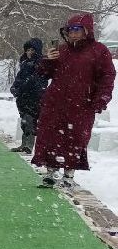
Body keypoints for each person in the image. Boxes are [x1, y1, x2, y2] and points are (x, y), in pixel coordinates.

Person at [32, 13, 116, 188]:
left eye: (77, 29)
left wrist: (101, 98)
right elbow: (43, 74)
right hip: (55, 103)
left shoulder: (99, 51)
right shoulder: (62, 50)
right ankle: (51, 172)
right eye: (70, 30)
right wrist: (48, 60)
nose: (73, 33)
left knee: (75, 140)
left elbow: (107, 77)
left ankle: (68, 176)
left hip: (81, 105)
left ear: (87, 30)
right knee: (51, 137)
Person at [9, 38, 48, 153]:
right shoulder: (25, 63)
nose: (29, 52)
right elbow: (19, 77)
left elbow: (36, 80)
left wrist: (23, 86)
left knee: (30, 120)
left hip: (34, 97)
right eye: (28, 50)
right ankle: (24, 143)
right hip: (23, 97)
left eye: (32, 50)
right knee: (24, 121)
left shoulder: (40, 63)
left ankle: (29, 145)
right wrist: (14, 87)